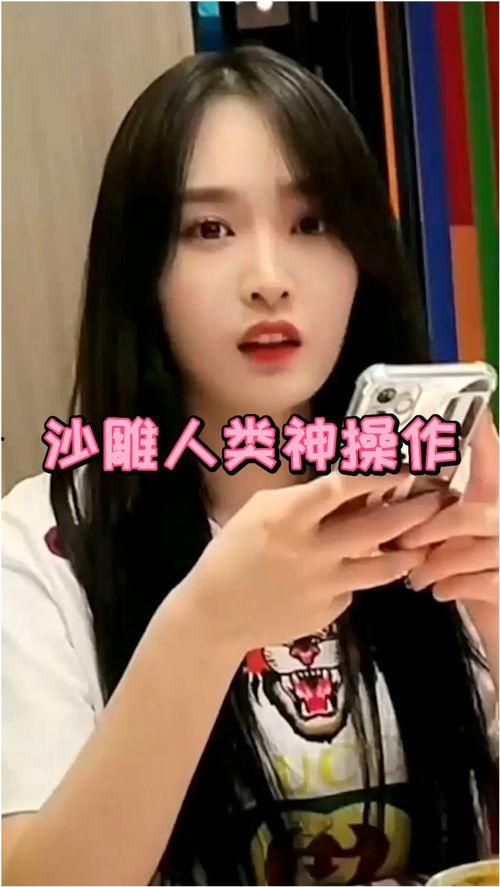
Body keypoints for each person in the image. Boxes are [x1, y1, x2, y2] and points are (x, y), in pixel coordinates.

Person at [2, 46, 498, 887]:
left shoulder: (449, 504)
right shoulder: (44, 548)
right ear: (142, 272)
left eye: (312, 223)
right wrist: (205, 629)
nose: (269, 279)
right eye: (210, 230)